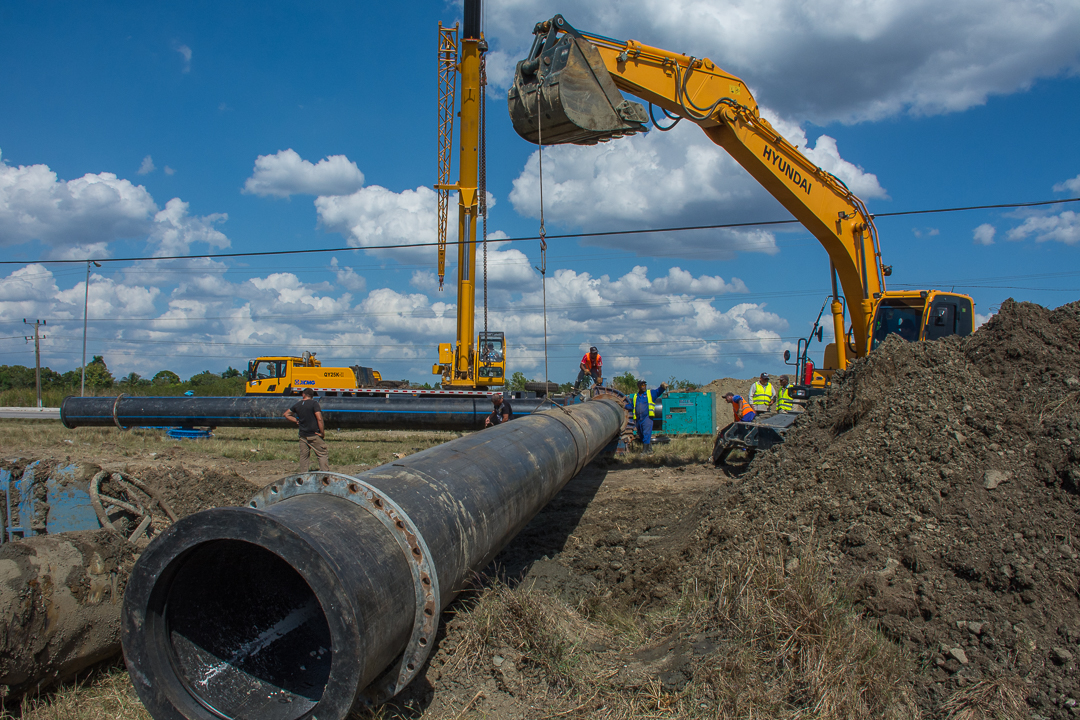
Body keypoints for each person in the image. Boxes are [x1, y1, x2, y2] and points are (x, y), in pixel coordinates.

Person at [283, 388, 329, 472]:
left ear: (303, 394)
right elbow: (319, 419)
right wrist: (322, 433)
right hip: (314, 435)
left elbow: (286, 414)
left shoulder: (298, 405)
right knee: (322, 453)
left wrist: (296, 420)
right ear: (312, 395)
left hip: (303, 436)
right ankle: (325, 475)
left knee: (304, 456)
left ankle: (303, 476)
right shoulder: (314, 404)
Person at [625, 379, 667, 454]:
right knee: (641, 434)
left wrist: (662, 387)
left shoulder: (650, 393)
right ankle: (649, 449)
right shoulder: (635, 396)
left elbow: (658, 392)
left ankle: (644, 451)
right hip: (638, 419)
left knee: (646, 433)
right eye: (642, 385)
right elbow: (632, 406)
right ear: (638, 386)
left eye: (645, 385)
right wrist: (624, 406)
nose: (644, 386)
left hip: (647, 418)